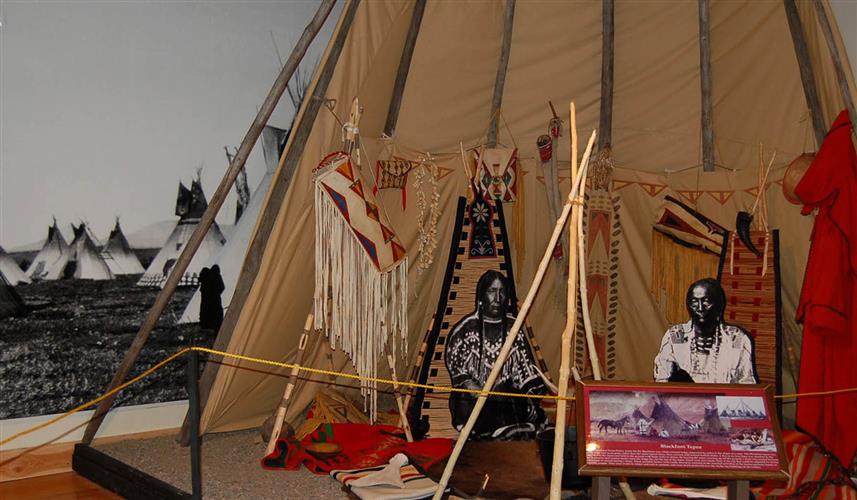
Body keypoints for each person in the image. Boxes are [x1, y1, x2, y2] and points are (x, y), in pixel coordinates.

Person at [444, 270, 548, 440]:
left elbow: (525, 369)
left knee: (522, 401)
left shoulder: (513, 329)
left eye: (502, 292)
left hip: (504, 400)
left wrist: (531, 394)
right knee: (464, 395)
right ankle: (485, 432)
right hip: (475, 399)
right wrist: (473, 387)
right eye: (492, 291)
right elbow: (456, 367)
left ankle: (506, 430)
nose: (497, 298)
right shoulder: (465, 328)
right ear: (481, 295)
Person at [654, 278, 757, 384]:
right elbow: (662, 380)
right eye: (694, 302)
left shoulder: (737, 338)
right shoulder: (675, 335)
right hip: (682, 399)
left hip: (725, 400)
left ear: (718, 304)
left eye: (706, 301)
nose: (700, 308)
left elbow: (747, 385)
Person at [199, 265, 225, 332]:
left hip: (206, 300)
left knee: (205, 311)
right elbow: (222, 287)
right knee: (216, 314)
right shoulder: (216, 277)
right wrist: (216, 293)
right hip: (215, 300)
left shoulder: (204, 279)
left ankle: (205, 325)